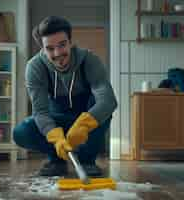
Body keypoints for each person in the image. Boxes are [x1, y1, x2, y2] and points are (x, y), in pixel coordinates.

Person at [13, 16, 117, 177]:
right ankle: (56, 159)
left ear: (70, 42)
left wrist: (84, 124)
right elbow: (40, 111)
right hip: (57, 120)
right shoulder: (35, 67)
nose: (57, 53)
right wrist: (55, 136)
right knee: (21, 131)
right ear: (43, 48)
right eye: (50, 48)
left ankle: (87, 160)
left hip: (85, 119)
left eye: (62, 45)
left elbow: (108, 100)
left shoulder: (90, 60)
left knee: (102, 109)